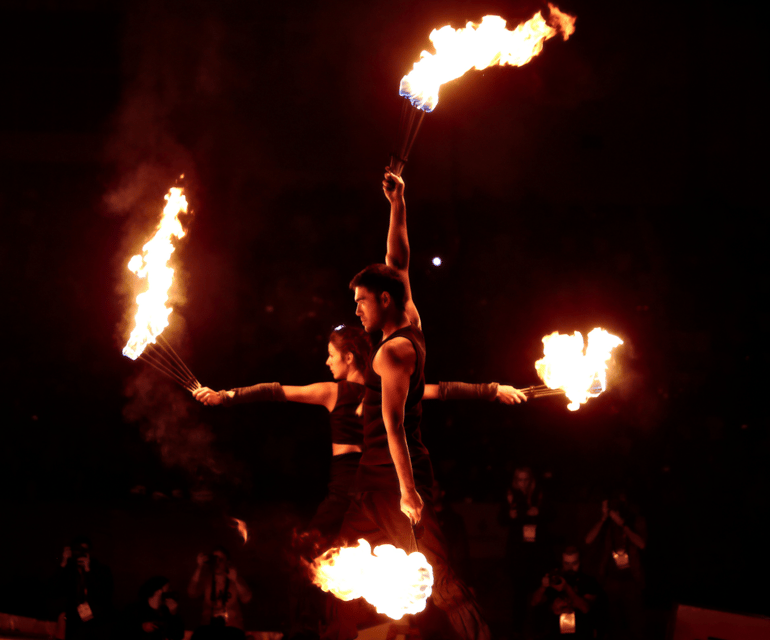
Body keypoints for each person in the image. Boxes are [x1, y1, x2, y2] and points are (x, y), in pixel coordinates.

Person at [325, 169, 494, 640]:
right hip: (372, 477)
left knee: (440, 582)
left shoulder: (392, 352)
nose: (356, 310)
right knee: (333, 573)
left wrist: (407, 492)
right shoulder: (408, 313)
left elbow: (395, 426)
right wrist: (398, 202)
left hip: (395, 477)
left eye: (361, 301)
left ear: (383, 299)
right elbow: (397, 257)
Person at [585, 490, 647, 639]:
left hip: (631, 580)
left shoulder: (636, 520)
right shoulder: (606, 524)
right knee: (613, 623)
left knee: (634, 623)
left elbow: (642, 544)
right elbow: (588, 540)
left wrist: (623, 524)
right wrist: (603, 518)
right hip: (610, 580)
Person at [498, 466, 549, 638]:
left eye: (526, 479)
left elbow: (553, 514)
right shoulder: (510, 496)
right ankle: (517, 631)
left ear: (531, 480)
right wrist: (510, 515)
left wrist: (539, 511)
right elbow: (500, 518)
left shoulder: (540, 494)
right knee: (519, 595)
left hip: (538, 555)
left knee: (540, 593)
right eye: (520, 479)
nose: (523, 483)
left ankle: (539, 630)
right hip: (518, 556)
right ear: (515, 480)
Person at [530, 546, 602, 639]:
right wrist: (543, 587)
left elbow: (586, 608)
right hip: (556, 634)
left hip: (581, 634)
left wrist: (567, 588)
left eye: (574, 563)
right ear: (562, 563)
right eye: (567, 563)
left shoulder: (588, 581)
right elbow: (534, 602)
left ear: (580, 562)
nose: (570, 567)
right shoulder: (556, 579)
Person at [52, 536, 113, 640]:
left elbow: (103, 594)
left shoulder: (101, 570)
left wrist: (88, 570)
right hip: (74, 620)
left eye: (84, 551)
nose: (81, 554)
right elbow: (54, 589)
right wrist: (63, 562)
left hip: (96, 621)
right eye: (77, 550)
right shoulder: (69, 570)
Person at [188, 546, 252, 640]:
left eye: (221, 560)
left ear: (227, 562)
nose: (217, 563)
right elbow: (191, 593)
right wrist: (199, 567)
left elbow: (247, 599)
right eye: (215, 560)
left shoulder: (235, 579)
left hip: (231, 627)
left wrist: (235, 581)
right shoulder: (207, 580)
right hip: (209, 626)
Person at [122, 576, 184, 640]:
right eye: (168, 588)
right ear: (158, 591)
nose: (170, 591)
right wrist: (141, 627)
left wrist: (174, 615)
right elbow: (122, 631)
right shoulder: (134, 609)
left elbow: (177, 636)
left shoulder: (166, 611)